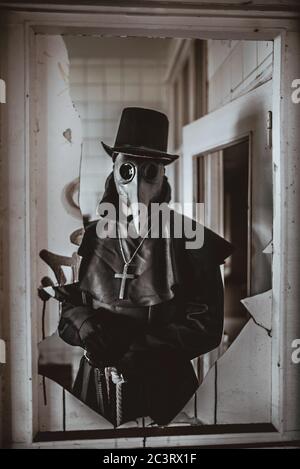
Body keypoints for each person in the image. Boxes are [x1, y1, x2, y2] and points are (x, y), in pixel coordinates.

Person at [56, 107, 234, 426]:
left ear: (163, 176)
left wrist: (129, 354)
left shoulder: (190, 239)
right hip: (96, 384)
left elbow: (205, 328)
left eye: (149, 170)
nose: (137, 183)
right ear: (115, 171)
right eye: (128, 169)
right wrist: (87, 330)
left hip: (162, 383)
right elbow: (69, 304)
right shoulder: (93, 236)